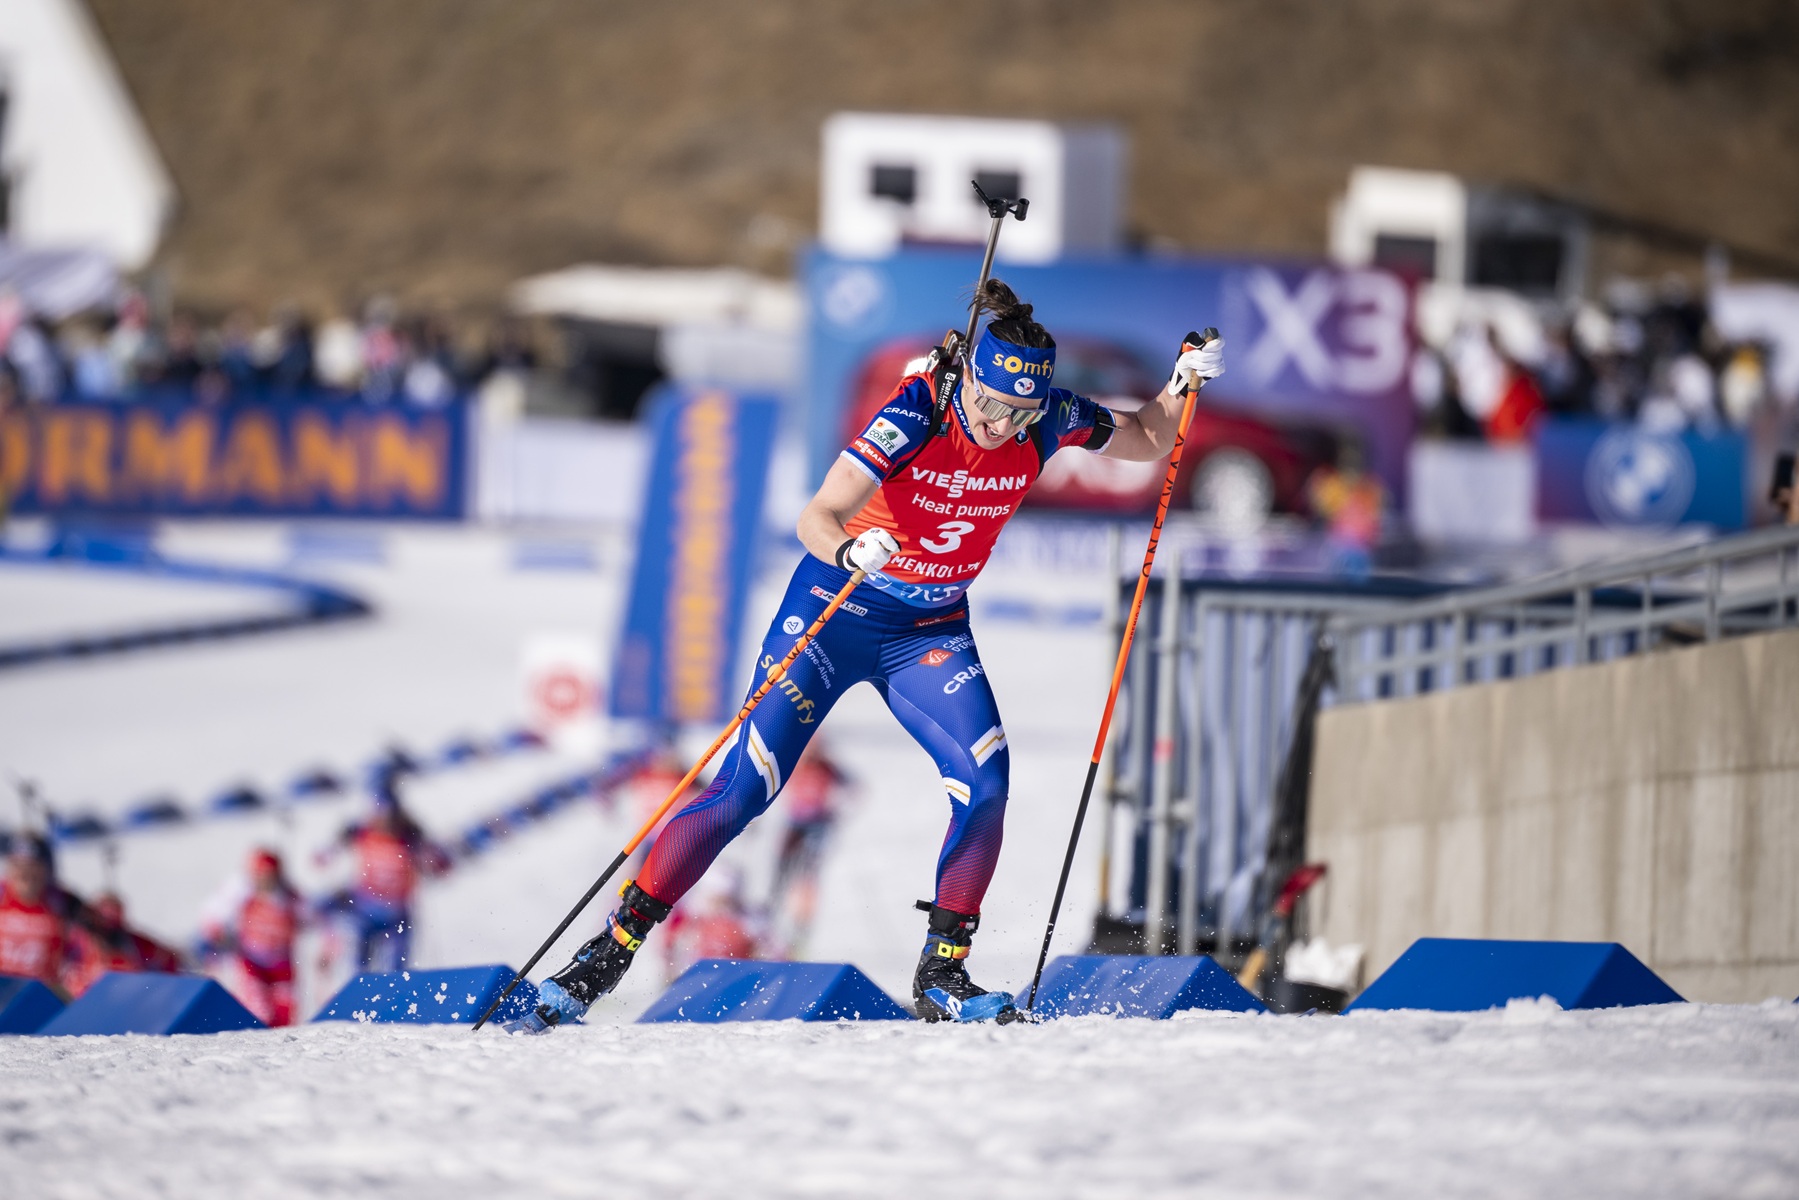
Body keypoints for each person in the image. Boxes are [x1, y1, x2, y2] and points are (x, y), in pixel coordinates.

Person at [510, 279, 1226, 1031]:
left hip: (928, 633)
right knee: (744, 790)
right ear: (969, 382)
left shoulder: (1048, 418)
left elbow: (1147, 437)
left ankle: (943, 973)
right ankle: (608, 951)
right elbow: (814, 515)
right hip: (832, 618)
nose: (997, 424)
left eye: (1016, 413)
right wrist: (852, 545)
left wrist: (1180, 382)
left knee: (986, 782)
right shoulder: (915, 412)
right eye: (987, 404)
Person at [319, 781, 450, 973]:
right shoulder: (362, 831)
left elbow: (439, 861)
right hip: (365, 907)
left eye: (390, 816)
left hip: (397, 912)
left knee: (396, 970)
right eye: (381, 815)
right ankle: (359, 996)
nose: (386, 822)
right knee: (359, 966)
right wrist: (327, 854)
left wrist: (434, 863)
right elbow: (327, 852)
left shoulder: (410, 836)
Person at [201, 848, 307, 1026]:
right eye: (261, 875)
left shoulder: (290, 897)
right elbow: (212, 916)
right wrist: (220, 936)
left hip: (282, 963)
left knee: (285, 1016)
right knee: (259, 1013)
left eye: (271, 875)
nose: (266, 880)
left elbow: (313, 919)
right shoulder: (242, 894)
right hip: (252, 962)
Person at [62, 891, 183, 996]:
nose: (109, 934)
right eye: (102, 924)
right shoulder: (77, 946)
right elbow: (70, 983)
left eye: (115, 928)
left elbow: (169, 961)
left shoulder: (135, 944)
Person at [0, 835, 74, 992]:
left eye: (33, 866)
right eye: (18, 866)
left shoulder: (64, 904)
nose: (25, 874)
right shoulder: (2, 895)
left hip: (41, 1000)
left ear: (47, 870)